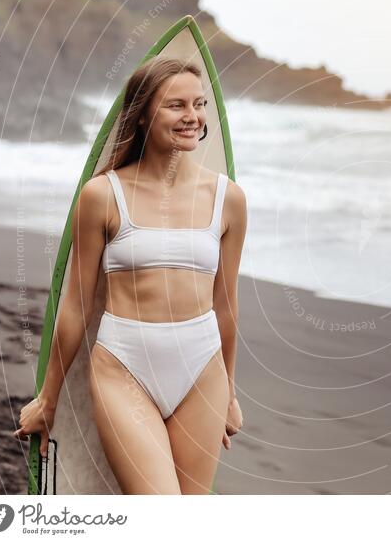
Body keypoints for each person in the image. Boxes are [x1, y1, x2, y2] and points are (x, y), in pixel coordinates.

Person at [13, 57, 248, 494]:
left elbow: (226, 306)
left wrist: (230, 393)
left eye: (198, 104)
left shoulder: (228, 199)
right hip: (125, 367)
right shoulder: (103, 195)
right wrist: (49, 399)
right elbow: (77, 304)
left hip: (202, 369)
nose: (192, 117)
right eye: (176, 105)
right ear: (142, 115)